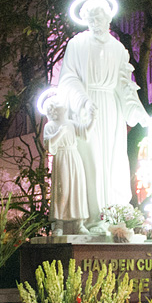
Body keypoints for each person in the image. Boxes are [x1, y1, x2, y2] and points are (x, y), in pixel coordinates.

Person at [58, 0, 152, 233]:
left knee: (114, 162)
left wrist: (136, 109)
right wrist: (83, 101)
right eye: (90, 16)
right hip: (86, 112)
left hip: (112, 110)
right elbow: (68, 78)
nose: (95, 20)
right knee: (91, 163)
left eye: (98, 15)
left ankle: (115, 216)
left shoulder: (119, 49)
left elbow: (124, 83)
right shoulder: (76, 44)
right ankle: (92, 218)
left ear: (108, 17)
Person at [42, 94, 90, 236]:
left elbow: (85, 132)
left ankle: (79, 223)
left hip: (74, 156)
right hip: (61, 157)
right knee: (62, 190)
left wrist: (93, 118)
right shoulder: (49, 126)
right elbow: (48, 144)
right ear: (54, 110)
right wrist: (59, 132)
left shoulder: (71, 123)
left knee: (78, 189)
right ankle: (59, 223)